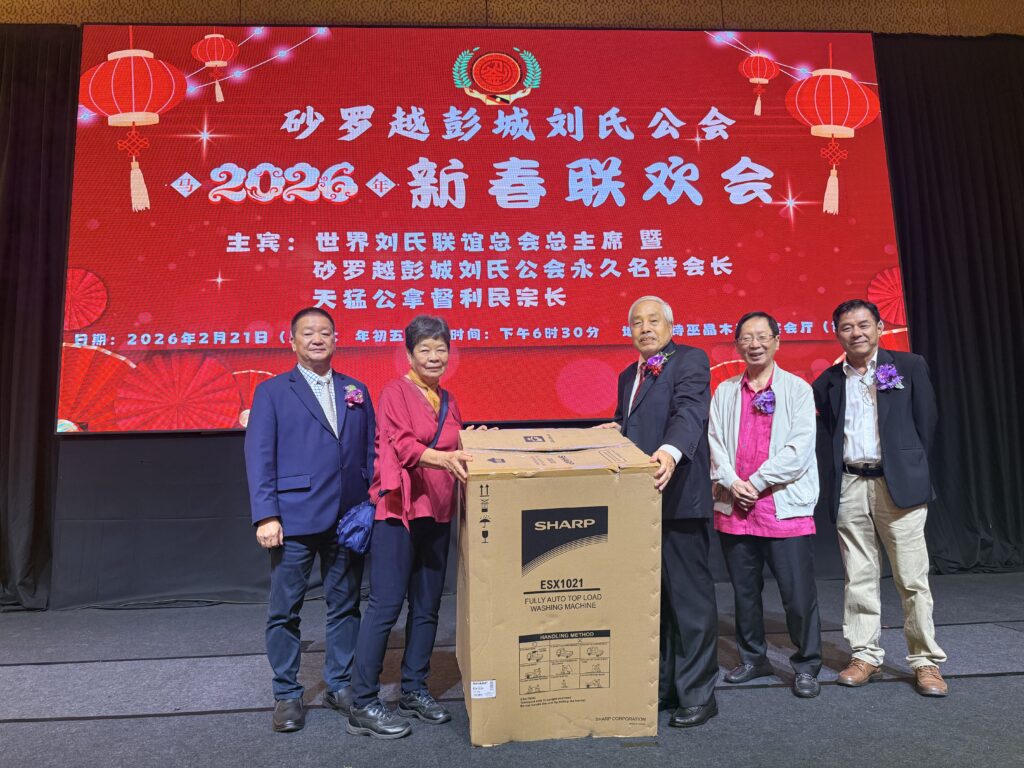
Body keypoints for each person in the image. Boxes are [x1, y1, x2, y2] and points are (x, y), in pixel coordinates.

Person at [347, 315, 483, 739]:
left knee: (427, 607)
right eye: (425, 349)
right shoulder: (394, 392)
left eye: (441, 349)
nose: (434, 356)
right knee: (386, 606)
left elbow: (455, 443)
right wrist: (445, 458)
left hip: (438, 512)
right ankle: (362, 702)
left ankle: (413, 689)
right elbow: (403, 445)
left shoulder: (449, 399)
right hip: (399, 512)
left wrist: (478, 440)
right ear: (409, 355)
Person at [244, 307, 376, 732]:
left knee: (346, 605)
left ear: (336, 340)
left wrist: (371, 501)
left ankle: (339, 684)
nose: (317, 339)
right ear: (292, 341)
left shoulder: (356, 389)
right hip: (294, 517)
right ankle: (286, 693)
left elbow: (369, 451)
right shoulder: (271, 392)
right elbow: (259, 456)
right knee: (285, 610)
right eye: (308, 333)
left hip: (348, 518)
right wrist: (266, 515)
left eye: (325, 332)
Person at [813, 299, 947, 696]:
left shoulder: (908, 366)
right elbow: (829, 433)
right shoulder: (828, 381)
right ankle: (865, 654)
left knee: (912, 578)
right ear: (836, 333)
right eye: (847, 327)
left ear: (879, 327)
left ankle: (925, 661)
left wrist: (908, 465)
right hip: (850, 483)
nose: (856, 333)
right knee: (858, 576)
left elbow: (927, 422)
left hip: (898, 483)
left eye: (863, 325)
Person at [598, 295, 719, 727]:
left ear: (670, 325)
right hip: (639, 504)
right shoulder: (627, 375)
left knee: (689, 601)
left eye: (653, 320)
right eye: (637, 322)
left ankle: (699, 694)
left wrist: (670, 451)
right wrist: (608, 433)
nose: (645, 328)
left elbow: (690, 411)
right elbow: (629, 425)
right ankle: (666, 687)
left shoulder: (690, 360)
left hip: (679, 497)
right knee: (656, 603)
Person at [709, 312, 822, 698]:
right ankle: (753, 658)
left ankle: (806, 664)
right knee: (744, 593)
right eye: (746, 338)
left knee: (797, 595)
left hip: (782, 508)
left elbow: (799, 450)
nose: (754, 344)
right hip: (736, 508)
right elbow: (714, 442)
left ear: (777, 341)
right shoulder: (725, 391)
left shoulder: (798, 389)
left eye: (762, 336)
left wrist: (755, 483)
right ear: (737, 344)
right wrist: (732, 482)